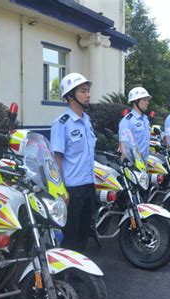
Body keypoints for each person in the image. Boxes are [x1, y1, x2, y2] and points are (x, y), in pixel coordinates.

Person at [50, 73, 96, 252]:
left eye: (88, 90)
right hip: (72, 190)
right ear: (70, 95)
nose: (88, 95)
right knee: (70, 238)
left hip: (88, 186)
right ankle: (66, 277)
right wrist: (60, 190)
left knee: (84, 234)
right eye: (83, 91)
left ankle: (78, 275)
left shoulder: (87, 121)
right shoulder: (62, 124)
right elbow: (56, 159)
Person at [118, 87, 152, 162]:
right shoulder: (128, 120)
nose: (147, 102)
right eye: (144, 100)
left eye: (147, 100)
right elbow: (123, 145)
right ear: (135, 101)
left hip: (144, 163)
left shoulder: (145, 120)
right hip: (133, 165)